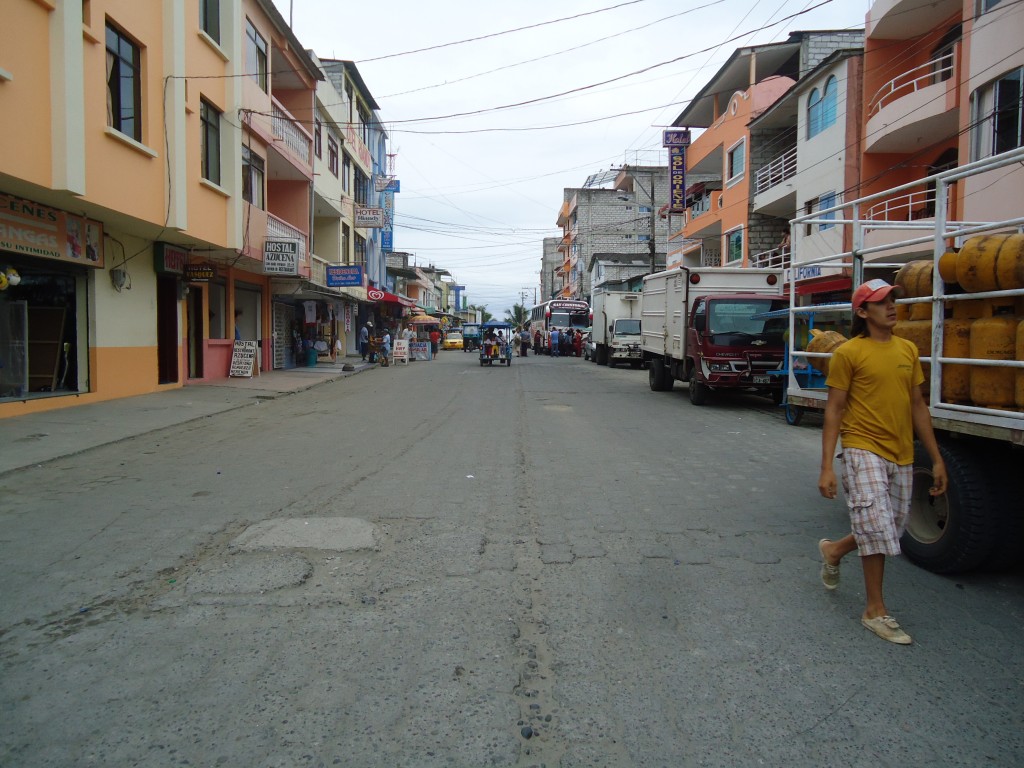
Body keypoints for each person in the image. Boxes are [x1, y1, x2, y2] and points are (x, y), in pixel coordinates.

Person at [817, 278, 947, 645]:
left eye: (892, 299)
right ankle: (875, 610)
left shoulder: (907, 350)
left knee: (886, 526)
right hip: (862, 447)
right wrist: (827, 466)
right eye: (880, 302)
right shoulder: (848, 353)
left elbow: (918, 406)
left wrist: (936, 459)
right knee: (876, 528)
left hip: (901, 452)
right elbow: (835, 410)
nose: (891, 306)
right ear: (862, 312)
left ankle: (834, 549)